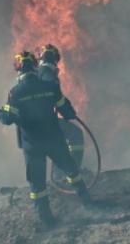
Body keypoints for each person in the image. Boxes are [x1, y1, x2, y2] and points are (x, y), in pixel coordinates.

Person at [0, 51, 91, 228]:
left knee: (38, 185)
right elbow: (69, 113)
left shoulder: (15, 93)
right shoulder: (50, 87)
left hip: (33, 146)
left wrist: (0, 113)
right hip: (54, 140)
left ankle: (47, 220)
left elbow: (8, 119)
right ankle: (87, 201)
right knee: (71, 170)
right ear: (34, 66)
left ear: (18, 70)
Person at [36, 44, 86, 179]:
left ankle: (59, 176)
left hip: (37, 123)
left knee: (59, 143)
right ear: (54, 59)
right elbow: (54, 95)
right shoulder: (46, 73)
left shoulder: (38, 73)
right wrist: (68, 112)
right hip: (45, 122)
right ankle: (71, 171)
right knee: (75, 134)